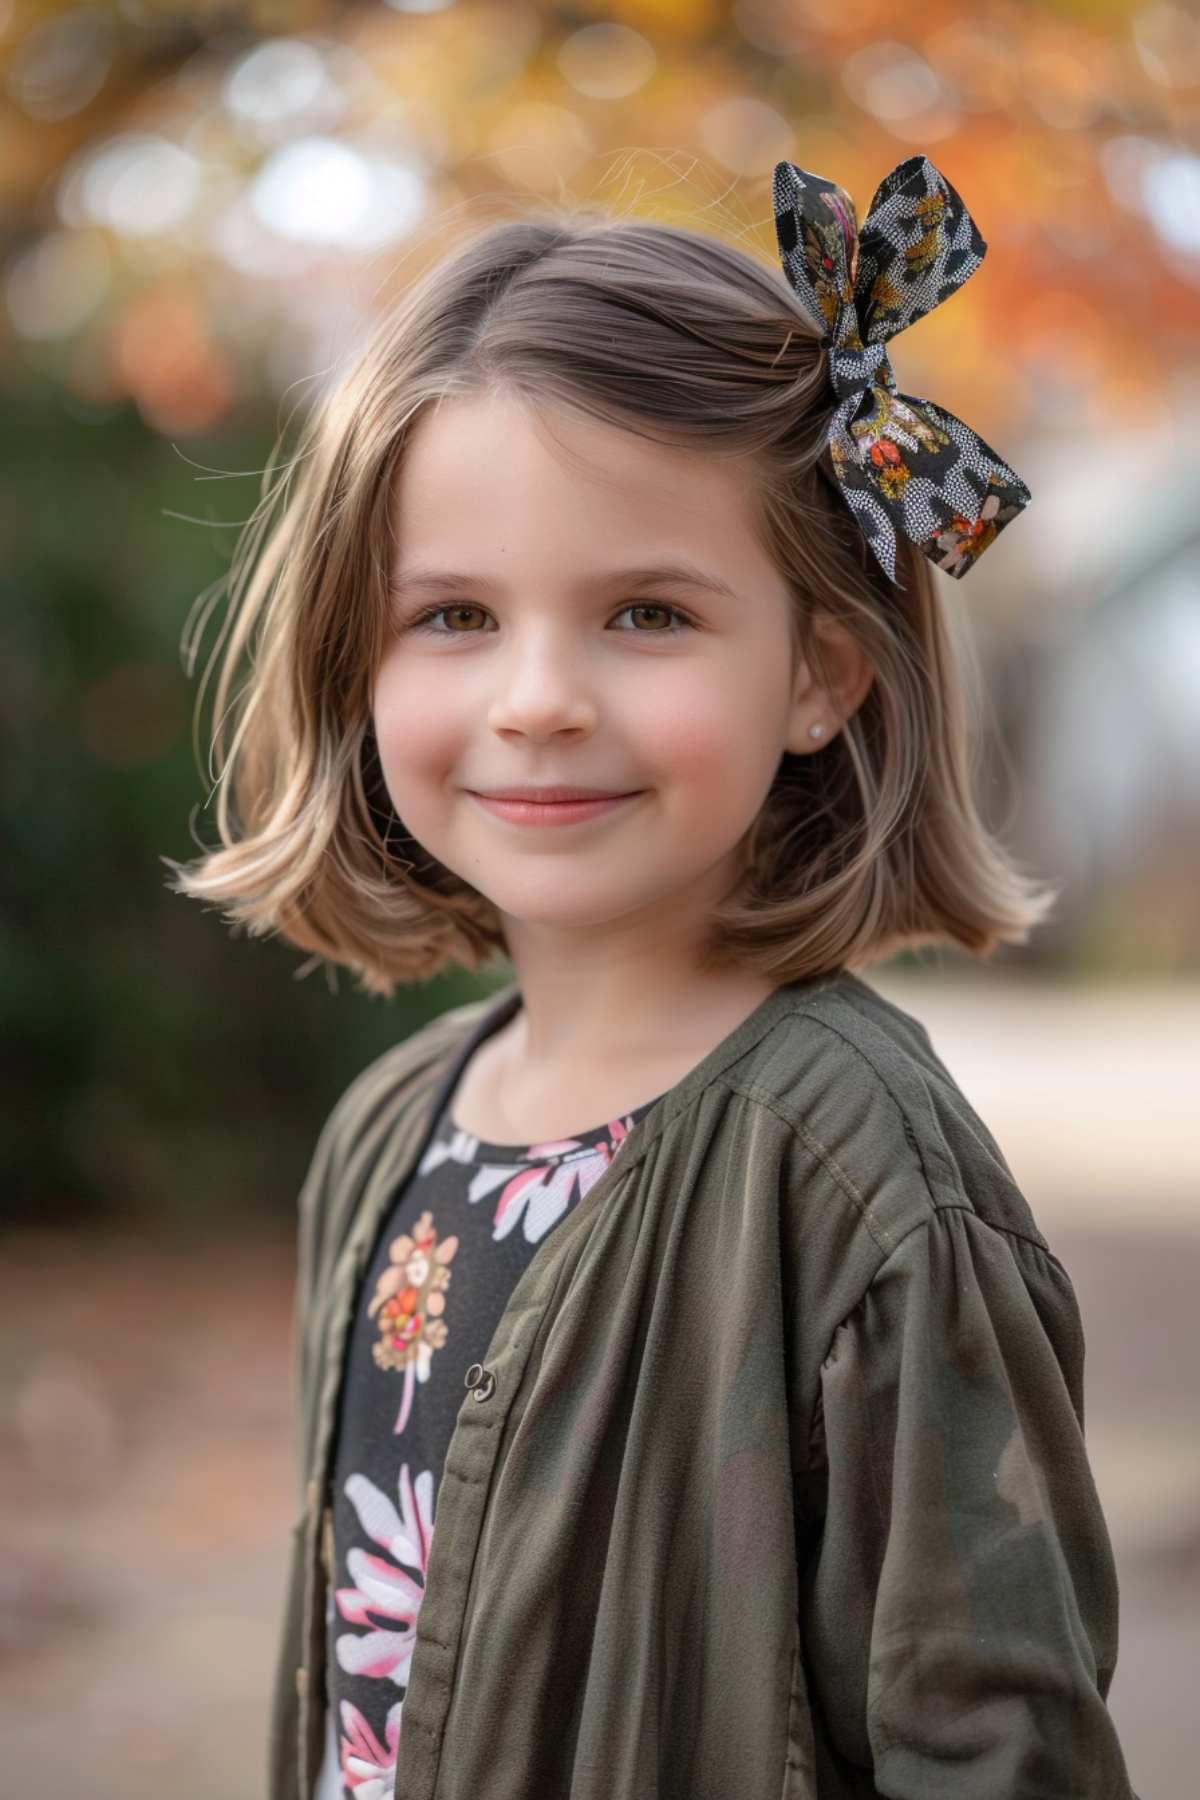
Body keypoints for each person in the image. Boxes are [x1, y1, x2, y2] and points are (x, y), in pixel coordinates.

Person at [168, 156, 1139, 1799]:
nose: (539, 697)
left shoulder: (858, 1171)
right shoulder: (393, 1128)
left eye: (644, 612)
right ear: (356, 660)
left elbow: (994, 1739)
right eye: (457, 614)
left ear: (821, 674)